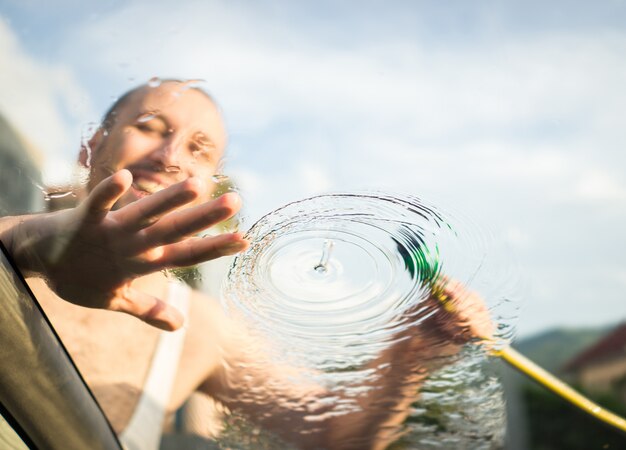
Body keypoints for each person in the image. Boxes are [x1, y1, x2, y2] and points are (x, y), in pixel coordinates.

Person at [0, 80, 494, 450]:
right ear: (92, 145)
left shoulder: (198, 329)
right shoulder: (11, 235)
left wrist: (409, 355)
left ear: (210, 183)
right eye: (149, 127)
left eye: (200, 149)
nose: (170, 156)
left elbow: (334, 436)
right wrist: (25, 242)